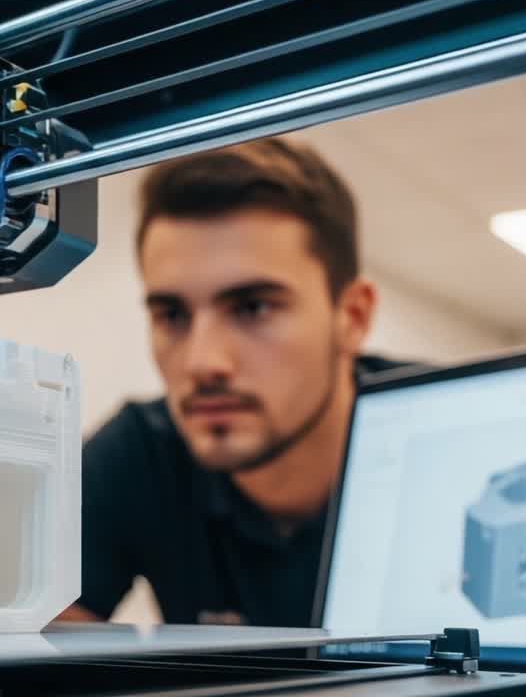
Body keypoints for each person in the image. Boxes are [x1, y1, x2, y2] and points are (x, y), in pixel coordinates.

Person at [61, 137, 406, 627]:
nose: (203, 363)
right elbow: (24, 638)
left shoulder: (453, 436)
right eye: (173, 314)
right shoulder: (142, 449)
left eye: (253, 308)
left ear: (351, 317)